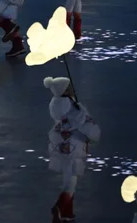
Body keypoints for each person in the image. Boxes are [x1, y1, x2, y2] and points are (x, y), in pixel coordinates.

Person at [44, 76, 100, 223]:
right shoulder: (72, 106)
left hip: (62, 145)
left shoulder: (56, 104)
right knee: (72, 180)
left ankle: (68, 213)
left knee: (68, 178)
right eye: (68, 87)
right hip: (75, 144)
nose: (71, 88)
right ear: (64, 90)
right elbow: (83, 123)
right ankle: (60, 207)